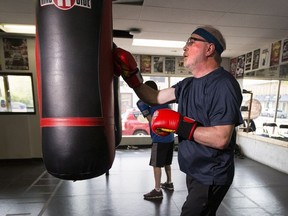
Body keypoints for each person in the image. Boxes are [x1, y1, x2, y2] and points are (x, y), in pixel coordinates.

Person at [113, 25, 243, 215]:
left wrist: (178, 124)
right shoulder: (187, 85)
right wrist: (132, 76)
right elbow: (154, 97)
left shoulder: (223, 84)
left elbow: (221, 138)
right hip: (194, 170)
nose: (184, 48)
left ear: (209, 49)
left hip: (211, 173)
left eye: (191, 42)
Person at [136, 80, 175, 200]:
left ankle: (157, 190)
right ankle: (169, 183)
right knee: (167, 162)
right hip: (170, 138)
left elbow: (153, 122)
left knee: (156, 164)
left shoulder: (152, 104)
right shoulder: (164, 101)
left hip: (159, 139)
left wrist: (144, 110)